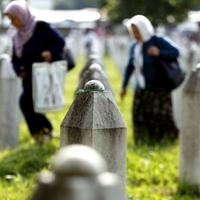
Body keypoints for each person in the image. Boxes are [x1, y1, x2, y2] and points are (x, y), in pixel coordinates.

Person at [4, 0, 65, 144]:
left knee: (30, 103)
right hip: (28, 77)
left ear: (22, 14)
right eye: (10, 19)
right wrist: (19, 70)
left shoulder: (40, 27)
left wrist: (50, 53)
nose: (12, 22)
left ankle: (44, 132)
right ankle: (40, 133)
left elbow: (59, 42)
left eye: (14, 18)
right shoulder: (17, 36)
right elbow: (14, 59)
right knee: (27, 103)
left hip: (43, 74)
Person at [120, 15, 179, 145]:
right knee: (139, 116)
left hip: (159, 89)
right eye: (133, 31)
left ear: (144, 28)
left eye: (137, 31)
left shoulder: (157, 40)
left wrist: (159, 53)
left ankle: (163, 142)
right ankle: (142, 142)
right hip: (141, 88)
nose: (135, 34)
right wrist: (124, 86)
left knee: (159, 118)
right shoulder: (134, 47)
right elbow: (129, 67)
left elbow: (176, 52)